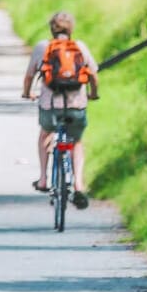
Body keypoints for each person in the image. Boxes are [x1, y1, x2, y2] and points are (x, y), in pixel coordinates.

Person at [21, 12, 99, 209]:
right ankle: (79, 184)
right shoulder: (79, 47)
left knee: (45, 134)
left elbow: (29, 76)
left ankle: (43, 178)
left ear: (51, 29)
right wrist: (93, 94)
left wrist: (27, 93)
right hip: (76, 106)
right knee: (76, 142)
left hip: (50, 107)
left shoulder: (43, 47)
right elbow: (93, 74)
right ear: (71, 28)